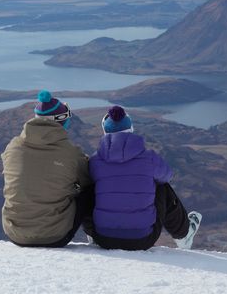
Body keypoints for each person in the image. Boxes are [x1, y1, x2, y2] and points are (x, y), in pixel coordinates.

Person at [83, 105, 202, 251]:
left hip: (103, 238)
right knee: (162, 186)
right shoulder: (149, 158)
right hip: (142, 239)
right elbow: (168, 175)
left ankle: (91, 235)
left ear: (105, 132)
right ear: (131, 129)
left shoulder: (95, 161)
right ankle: (184, 235)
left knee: (89, 186)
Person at [1, 90, 94, 247]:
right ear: (60, 121)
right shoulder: (70, 153)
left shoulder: (13, 147)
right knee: (90, 192)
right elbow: (87, 180)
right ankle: (94, 237)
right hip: (55, 236)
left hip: (14, 233)